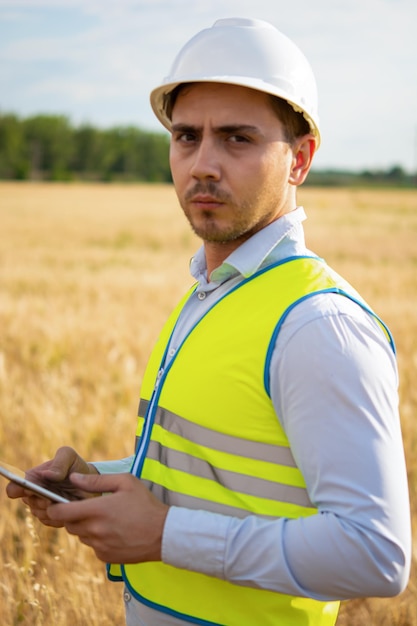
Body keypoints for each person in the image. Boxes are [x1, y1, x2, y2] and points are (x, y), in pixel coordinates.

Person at [6, 17, 411, 626]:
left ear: (299, 159)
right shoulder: (211, 292)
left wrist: (165, 535)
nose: (202, 164)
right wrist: (103, 483)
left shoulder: (316, 325)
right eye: (187, 136)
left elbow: (377, 555)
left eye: (238, 139)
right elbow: (221, 479)